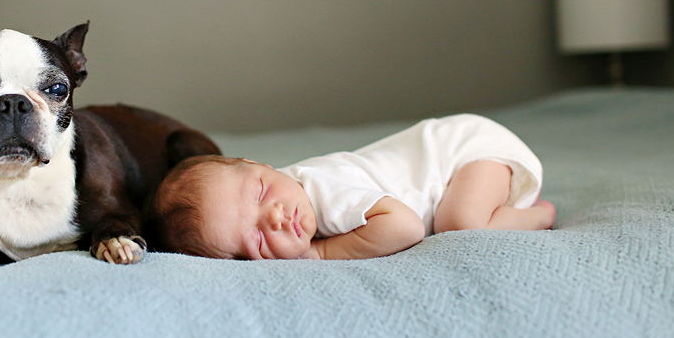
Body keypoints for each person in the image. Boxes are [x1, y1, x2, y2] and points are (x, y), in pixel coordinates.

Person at [149, 114, 556, 260]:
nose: (274, 216)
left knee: (460, 221)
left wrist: (324, 253)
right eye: (255, 237)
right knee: (459, 218)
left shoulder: (319, 191)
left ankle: (539, 215)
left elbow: (406, 227)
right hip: (463, 154)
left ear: (262, 165)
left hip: (465, 150)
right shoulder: (287, 195)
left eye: (260, 193)